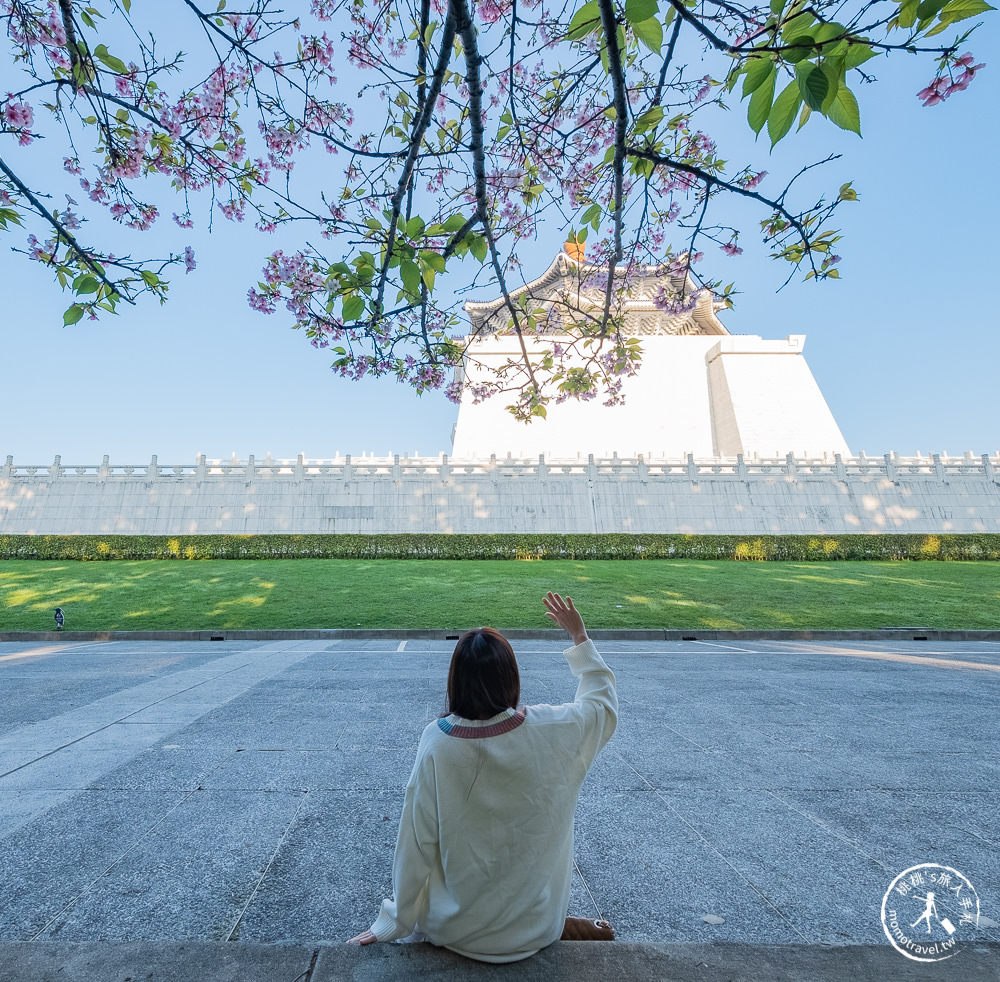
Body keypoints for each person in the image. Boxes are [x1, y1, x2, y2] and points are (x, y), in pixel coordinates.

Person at [347, 591, 618, 962]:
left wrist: (395, 920)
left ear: (455, 680)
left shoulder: (437, 742)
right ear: (510, 676)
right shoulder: (554, 729)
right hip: (538, 928)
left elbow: (416, 843)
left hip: (457, 932)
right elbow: (600, 705)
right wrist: (579, 637)